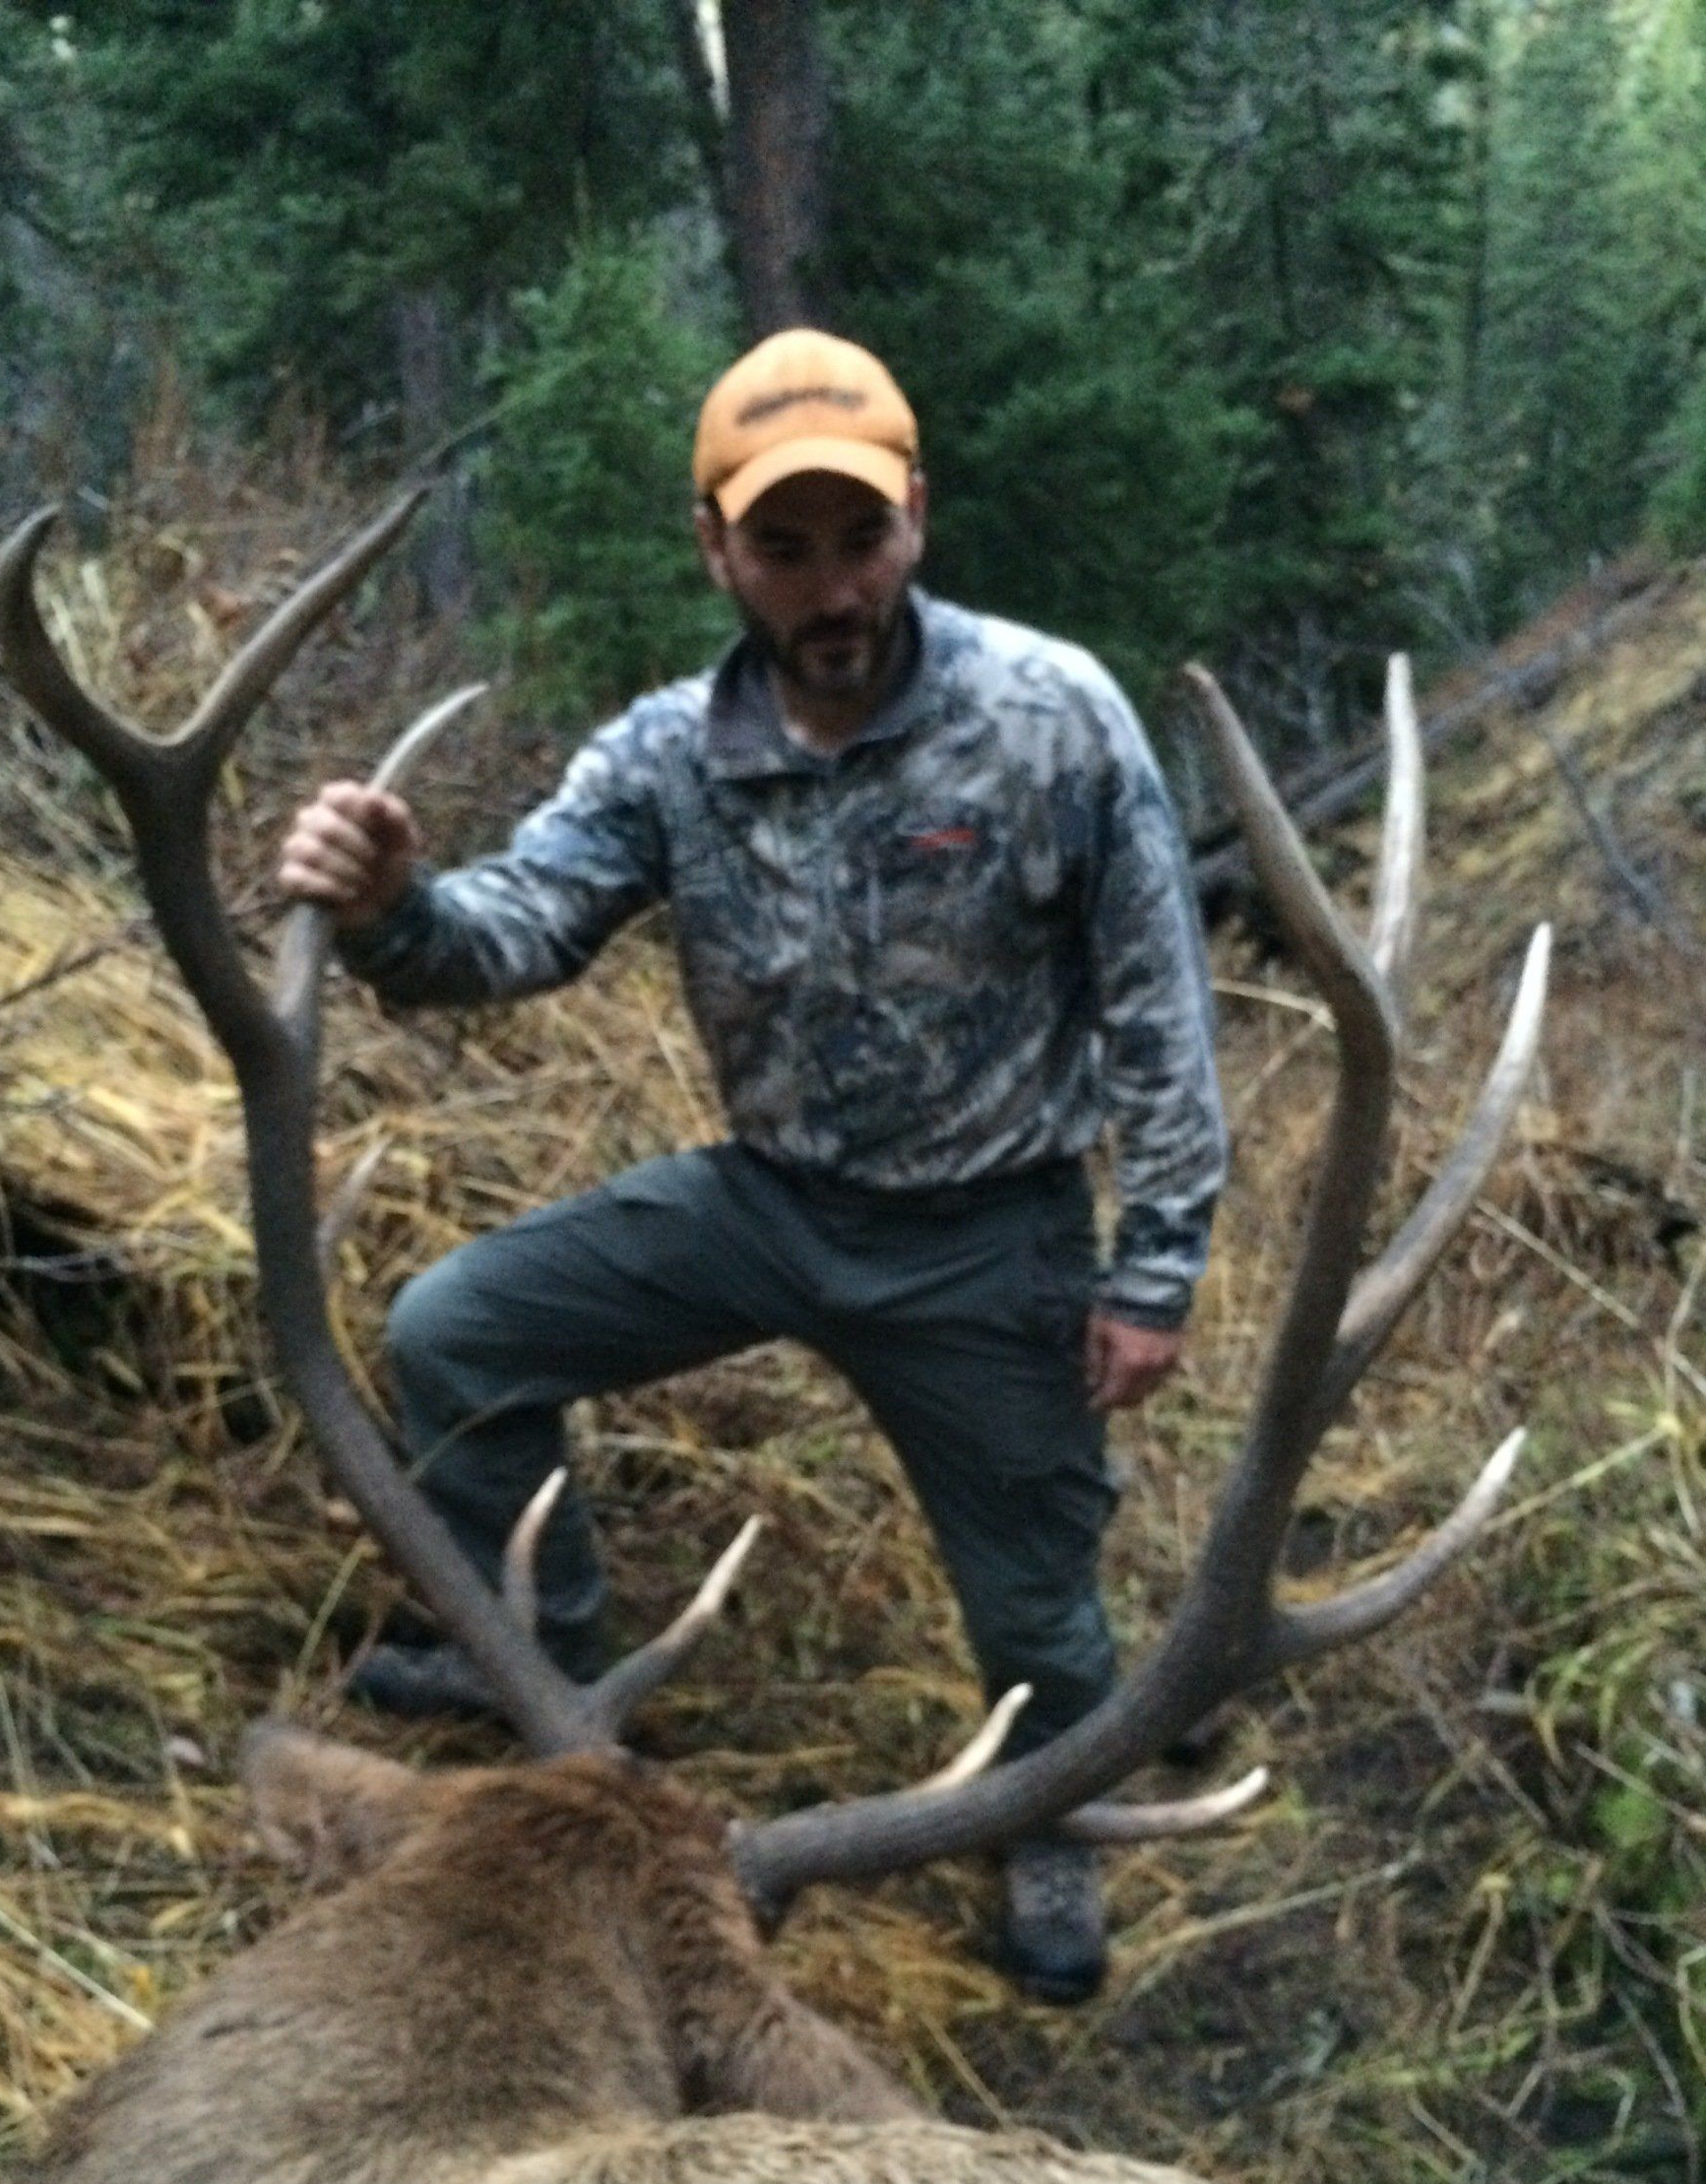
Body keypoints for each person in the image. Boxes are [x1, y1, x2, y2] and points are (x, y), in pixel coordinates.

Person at [276, 329, 1228, 2001]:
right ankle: (547, 1652)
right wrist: (388, 908)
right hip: (767, 1201)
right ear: (716, 549)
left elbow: (1159, 1004)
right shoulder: (664, 756)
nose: (829, 584)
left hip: (987, 1237)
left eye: (858, 537)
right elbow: (510, 937)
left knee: (1037, 1606)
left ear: (916, 520)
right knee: (457, 1332)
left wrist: (1152, 1267)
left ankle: (1052, 1818)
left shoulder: (1051, 717)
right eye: (782, 547)